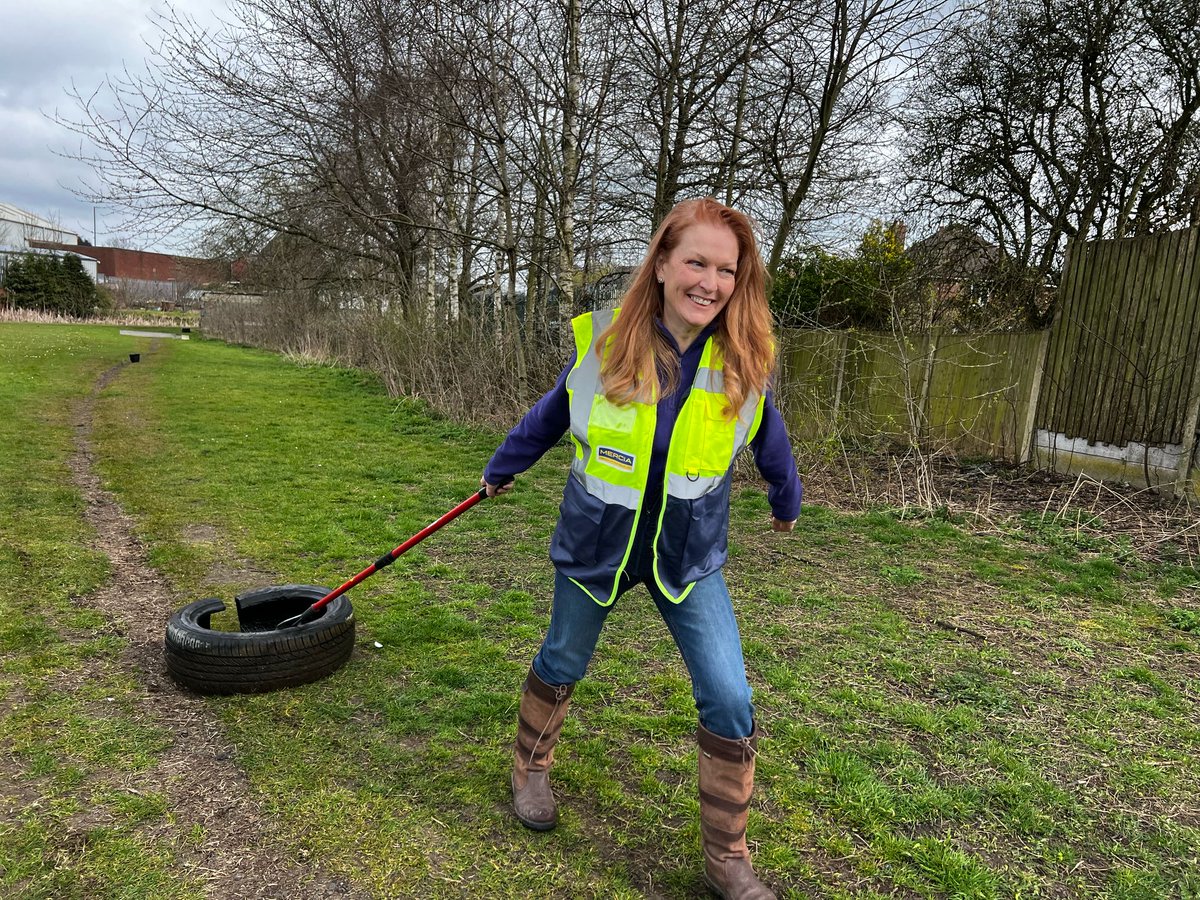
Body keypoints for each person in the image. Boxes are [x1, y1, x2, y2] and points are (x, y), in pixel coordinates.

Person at [482, 197, 801, 900]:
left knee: (729, 694)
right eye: (696, 262)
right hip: (599, 542)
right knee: (563, 657)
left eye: (726, 269)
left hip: (687, 556)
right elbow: (549, 415)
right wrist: (503, 468)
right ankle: (529, 768)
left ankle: (728, 860)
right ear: (660, 264)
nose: (709, 282)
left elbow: (770, 442)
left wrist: (786, 502)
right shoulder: (604, 345)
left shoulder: (743, 362)